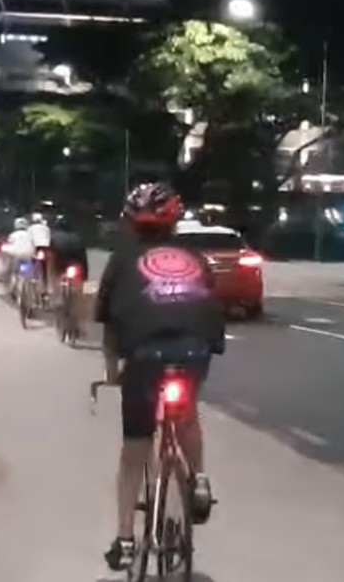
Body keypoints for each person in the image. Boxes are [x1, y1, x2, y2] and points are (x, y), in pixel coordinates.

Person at [96, 182, 225, 571]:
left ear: (132, 222)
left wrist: (113, 371)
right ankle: (199, 478)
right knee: (186, 412)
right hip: (196, 349)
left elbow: (109, 323)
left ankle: (125, 539)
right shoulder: (195, 257)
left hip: (145, 353)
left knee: (135, 449)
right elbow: (211, 303)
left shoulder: (122, 259)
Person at [3, 216, 35, 296]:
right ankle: (25, 287)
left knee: (14, 272)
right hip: (27, 256)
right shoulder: (30, 235)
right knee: (25, 274)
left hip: (16, 256)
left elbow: (9, 245)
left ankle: (13, 287)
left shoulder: (13, 235)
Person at [27, 212, 53, 292]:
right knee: (45, 266)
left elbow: (29, 240)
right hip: (45, 248)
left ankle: (33, 278)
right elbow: (49, 238)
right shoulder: (46, 228)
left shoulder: (30, 228)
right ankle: (46, 283)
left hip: (36, 248)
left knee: (32, 262)